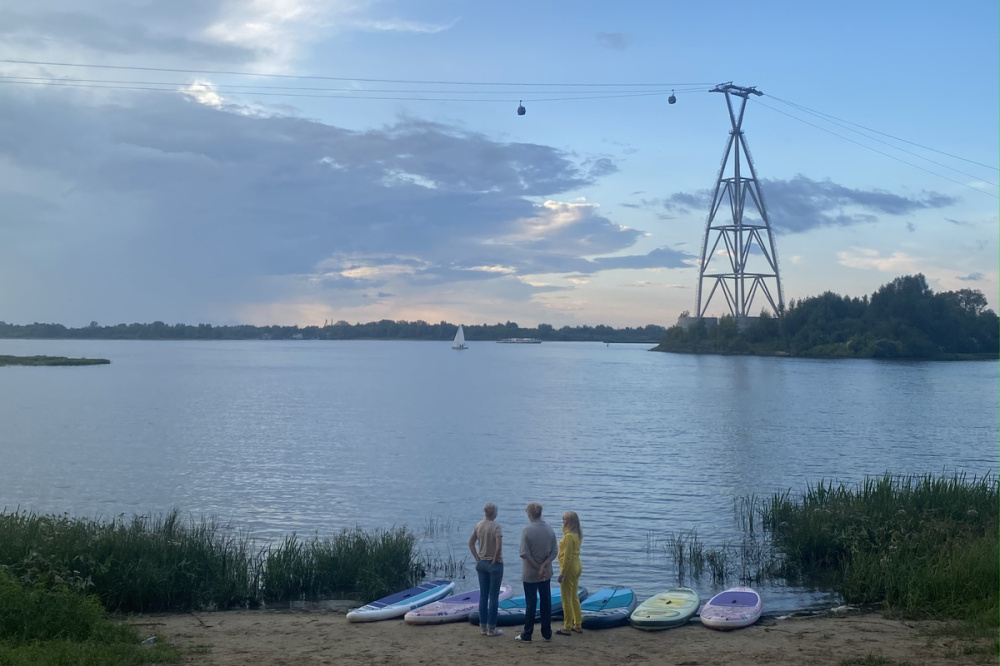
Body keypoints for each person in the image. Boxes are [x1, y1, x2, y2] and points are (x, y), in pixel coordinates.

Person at [514, 502, 558, 643]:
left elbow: (524, 553)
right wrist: (543, 566)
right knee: (546, 601)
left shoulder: (527, 530)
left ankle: (528, 633)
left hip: (530, 573)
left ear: (530, 514)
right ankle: (547, 633)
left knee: (530, 603)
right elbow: (554, 552)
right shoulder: (549, 530)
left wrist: (536, 567)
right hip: (546, 572)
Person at [468, 502, 504, 637]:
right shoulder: (496, 527)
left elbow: (471, 543)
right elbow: (499, 547)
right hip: (494, 563)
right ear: (494, 513)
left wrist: (477, 558)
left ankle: (482, 626)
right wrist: (495, 560)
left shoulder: (479, 525)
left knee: (483, 595)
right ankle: (492, 628)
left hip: (481, 562)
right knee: (494, 596)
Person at [555, 510, 583, 635]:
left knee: (566, 599)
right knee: (574, 597)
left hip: (569, 568)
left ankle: (567, 626)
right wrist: (565, 526)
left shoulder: (568, 537)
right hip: (577, 567)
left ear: (571, 522)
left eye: (565, 519)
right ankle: (577, 624)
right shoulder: (576, 534)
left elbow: (567, 557)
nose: (563, 521)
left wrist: (562, 573)